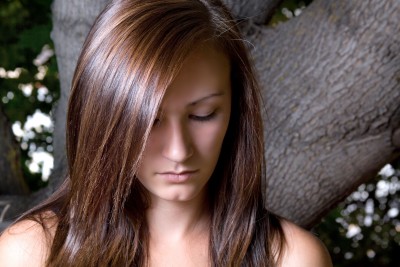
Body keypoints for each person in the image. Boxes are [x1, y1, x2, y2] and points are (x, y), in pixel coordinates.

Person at [0, 0, 332, 266]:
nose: (178, 150)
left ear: (236, 111)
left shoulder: (292, 259)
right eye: (151, 120)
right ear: (105, 118)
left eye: (203, 115)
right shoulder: (30, 253)